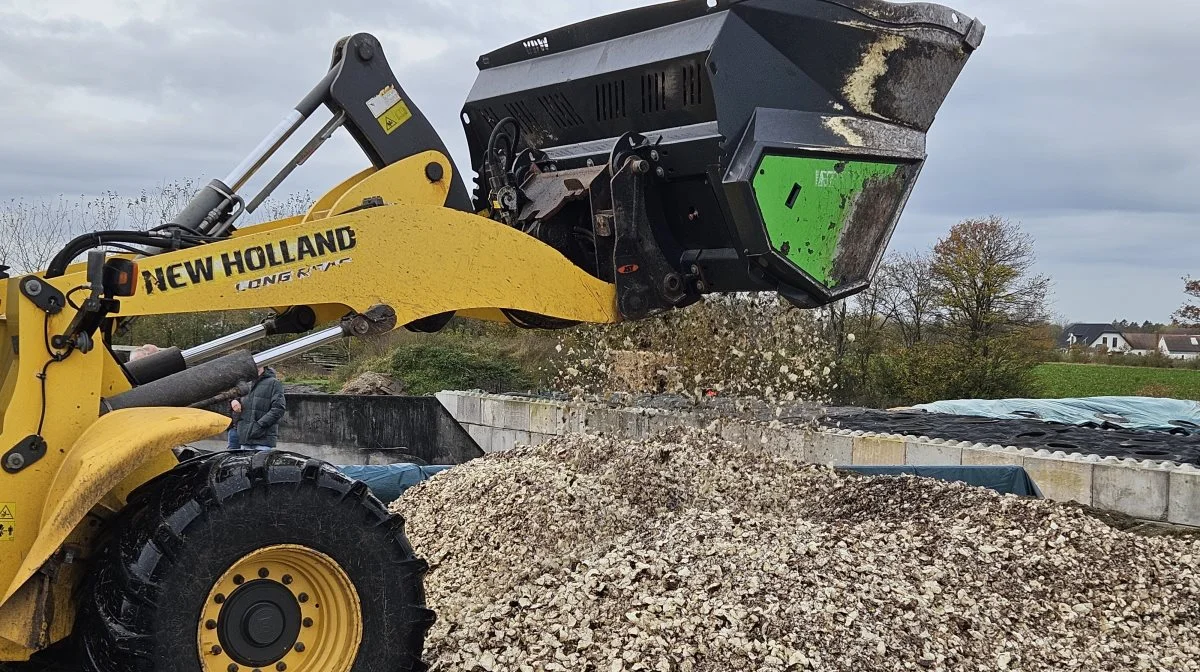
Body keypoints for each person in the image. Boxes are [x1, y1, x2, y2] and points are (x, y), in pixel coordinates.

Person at [232, 366, 286, 451]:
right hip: (245, 439)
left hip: (263, 440)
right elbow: (235, 398)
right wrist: (234, 401)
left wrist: (259, 425)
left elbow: (278, 409)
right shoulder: (246, 383)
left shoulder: (274, 383)